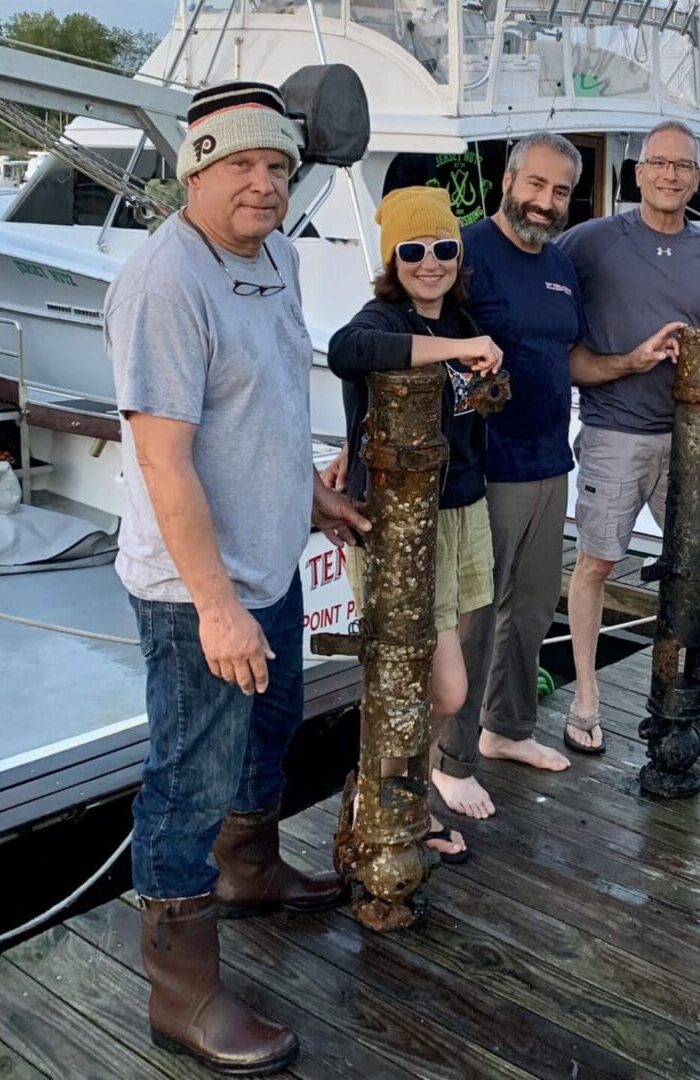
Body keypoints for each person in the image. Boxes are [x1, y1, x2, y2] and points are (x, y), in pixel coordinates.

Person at [106, 81, 370, 1074]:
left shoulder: (279, 258)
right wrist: (217, 608)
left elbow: (264, 404)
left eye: (279, 167)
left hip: (273, 561)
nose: (263, 185)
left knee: (272, 727)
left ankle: (249, 870)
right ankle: (182, 993)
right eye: (241, 166)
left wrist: (310, 497)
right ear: (195, 168)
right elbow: (165, 462)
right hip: (196, 593)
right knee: (189, 776)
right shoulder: (164, 282)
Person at [558, 119, 700, 756]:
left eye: (683, 166)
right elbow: (558, 329)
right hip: (614, 432)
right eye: (658, 164)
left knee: (694, 569)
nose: (670, 175)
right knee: (596, 563)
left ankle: (693, 691)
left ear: (697, 177)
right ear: (636, 173)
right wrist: (624, 360)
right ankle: (586, 694)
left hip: (694, 439)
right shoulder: (588, 242)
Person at [326, 185, 503, 862]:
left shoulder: (460, 320)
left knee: (424, 683)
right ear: (391, 259)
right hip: (402, 528)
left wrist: (480, 356)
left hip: (462, 510)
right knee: (443, 687)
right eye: (413, 250)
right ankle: (383, 798)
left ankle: (405, 802)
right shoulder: (381, 317)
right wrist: (455, 351)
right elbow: (351, 351)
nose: (431, 263)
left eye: (443, 248)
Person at [429, 132, 585, 820]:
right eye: (537, 186)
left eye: (560, 192)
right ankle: (448, 762)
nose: (546, 203)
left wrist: (634, 360)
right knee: (472, 620)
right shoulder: (463, 251)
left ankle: (506, 730)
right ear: (509, 181)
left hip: (552, 461)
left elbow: (570, 358)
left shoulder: (559, 266)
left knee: (531, 609)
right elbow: (411, 333)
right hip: (483, 469)